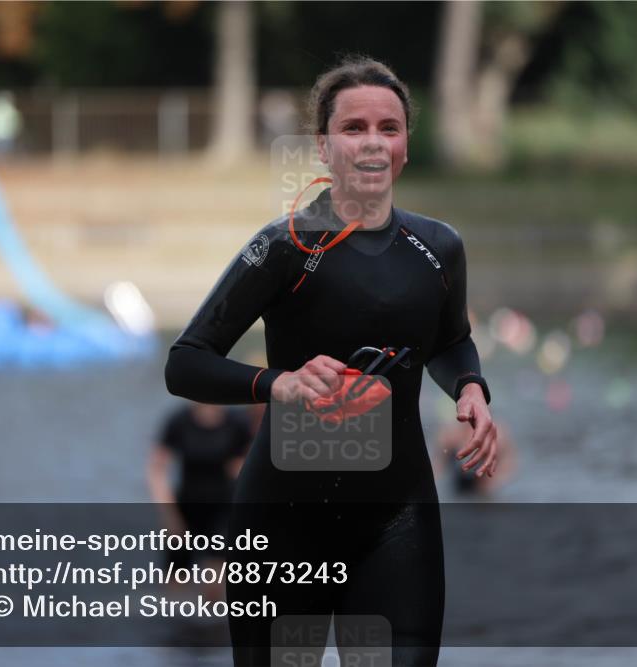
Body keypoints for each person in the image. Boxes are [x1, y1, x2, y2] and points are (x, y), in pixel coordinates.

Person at [165, 56, 498, 667]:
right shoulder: (284, 246)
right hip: (284, 525)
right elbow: (186, 363)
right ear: (323, 147)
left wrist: (470, 388)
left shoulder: (439, 248)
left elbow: (450, 341)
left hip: (398, 525)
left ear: (404, 146)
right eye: (353, 128)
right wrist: (275, 383)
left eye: (388, 128)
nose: (372, 141)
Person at [148, 401, 252, 599]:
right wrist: (168, 513)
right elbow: (157, 469)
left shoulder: (237, 422)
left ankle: (213, 627)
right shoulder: (179, 421)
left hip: (223, 509)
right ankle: (175, 627)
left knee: (214, 587)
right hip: (184, 509)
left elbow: (250, 465)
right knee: (175, 585)